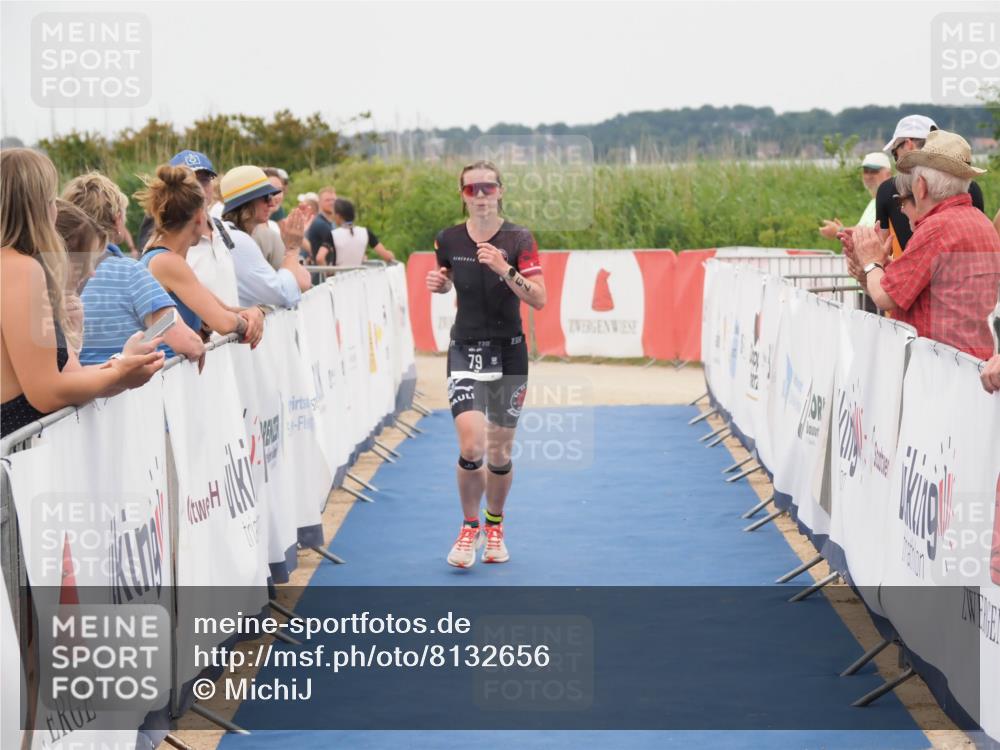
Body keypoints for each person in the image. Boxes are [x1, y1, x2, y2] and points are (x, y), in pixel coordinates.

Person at [426, 160, 547, 568]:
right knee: (471, 444)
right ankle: (469, 526)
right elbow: (444, 278)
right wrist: (441, 285)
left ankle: (495, 526)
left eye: (488, 188)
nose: (480, 196)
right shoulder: (448, 238)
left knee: (498, 452)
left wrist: (504, 268)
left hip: (510, 351)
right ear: (462, 195)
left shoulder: (518, 238)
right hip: (466, 348)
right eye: (471, 189)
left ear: (501, 191)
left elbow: (539, 298)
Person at [1, 149, 164, 438]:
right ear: (36, 207)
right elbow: (46, 392)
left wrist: (120, 367)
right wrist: (120, 373)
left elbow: (63, 377)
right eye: (51, 199)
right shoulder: (21, 269)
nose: (56, 208)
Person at [853, 130, 1000, 360]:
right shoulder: (981, 223)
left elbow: (885, 297)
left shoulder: (937, 227)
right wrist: (882, 267)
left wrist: (871, 263)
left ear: (920, 186)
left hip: (937, 366)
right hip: (974, 362)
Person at [61, 171, 206, 365]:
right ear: (117, 219)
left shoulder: (52, 275)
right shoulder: (130, 273)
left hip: (77, 387)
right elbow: (186, 342)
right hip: (133, 389)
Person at [136, 165, 264, 356]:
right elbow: (223, 322)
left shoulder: (166, 258)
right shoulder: (167, 262)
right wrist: (248, 324)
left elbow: (225, 309)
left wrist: (256, 313)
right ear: (198, 216)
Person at [875, 115, 985, 259]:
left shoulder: (888, 190)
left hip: (909, 275)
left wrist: (870, 265)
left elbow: (882, 250)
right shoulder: (971, 188)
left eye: (895, 153)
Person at [219, 165, 313, 307]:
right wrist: (292, 249)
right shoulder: (238, 240)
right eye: (265, 197)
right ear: (246, 202)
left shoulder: (230, 234)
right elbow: (284, 295)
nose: (271, 202)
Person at [819, 152, 893, 238]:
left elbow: (877, 234)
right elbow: (862, 232)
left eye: (874, 171)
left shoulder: (890, 200)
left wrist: (839, 231)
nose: (869, 176)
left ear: (888, 174)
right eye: (866, 171)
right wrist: (842, 231)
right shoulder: (873, 201)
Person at [323, 198, 396, 266]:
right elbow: (387, 256)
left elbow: (320, 257)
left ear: (338, 216)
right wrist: (390, 254)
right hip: (359, 277)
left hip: (339, 276)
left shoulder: (333, 234)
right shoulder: (365, 232)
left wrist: (327, 272)